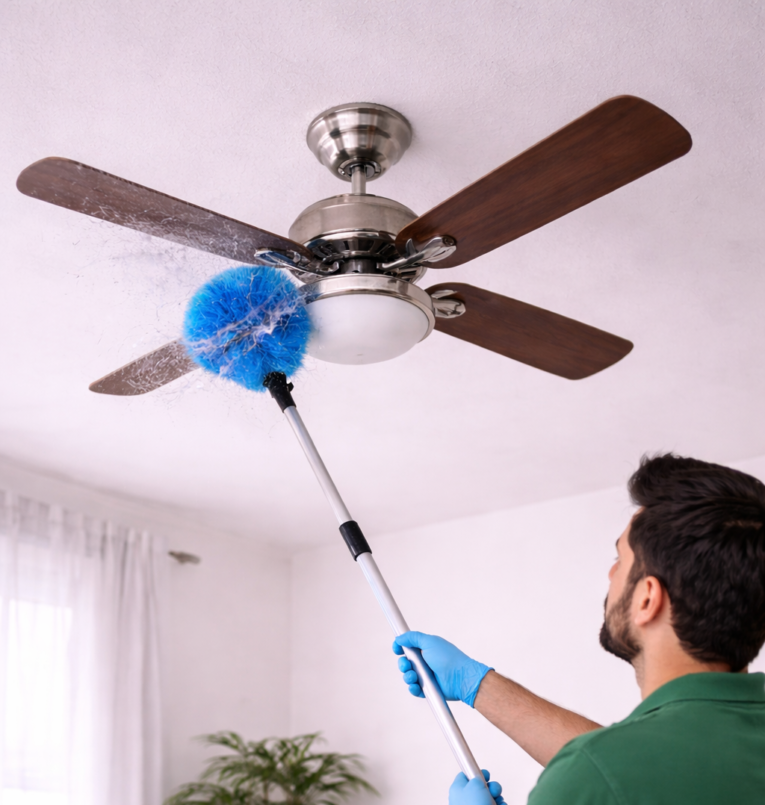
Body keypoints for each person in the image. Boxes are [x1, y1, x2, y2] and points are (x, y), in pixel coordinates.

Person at [393, 454, 765, 804]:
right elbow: (630, 770)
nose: (611, 573)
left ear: (647, 599)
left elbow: (611, 771)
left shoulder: (590, 778)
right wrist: (477, 684)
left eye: (620, 559)